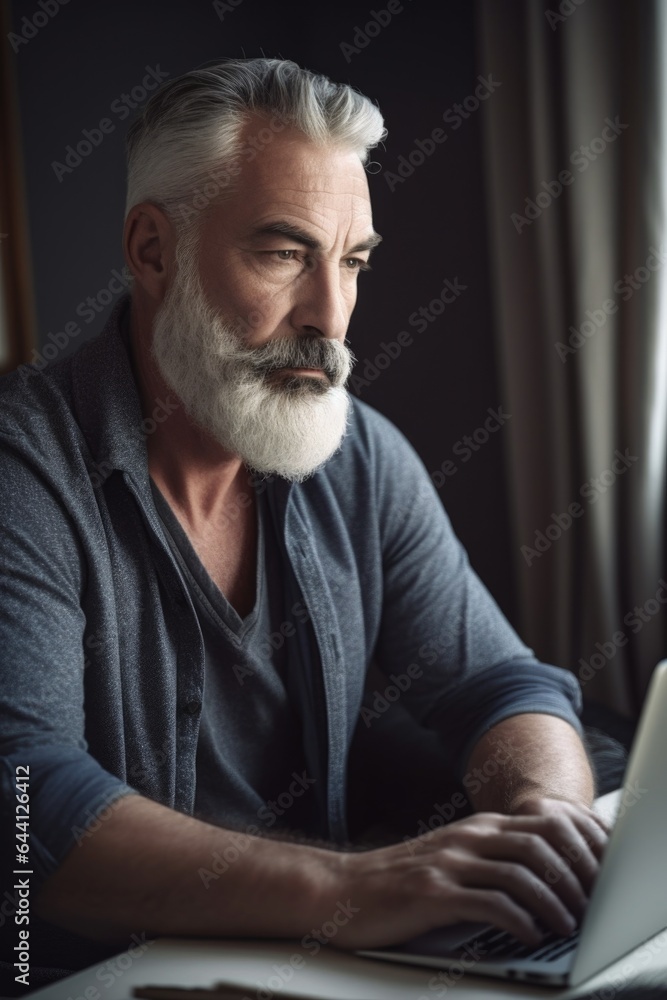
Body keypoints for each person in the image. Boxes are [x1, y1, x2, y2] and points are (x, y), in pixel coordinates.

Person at [0, 57, 612, 987]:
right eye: (284, 253)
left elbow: (498, 683)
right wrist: (351, 890)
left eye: (353, 261)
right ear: (152, 250)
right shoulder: (23, 469)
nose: (331, 316)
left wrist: (549, 830)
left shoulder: (358, 453)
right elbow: (26, 800)